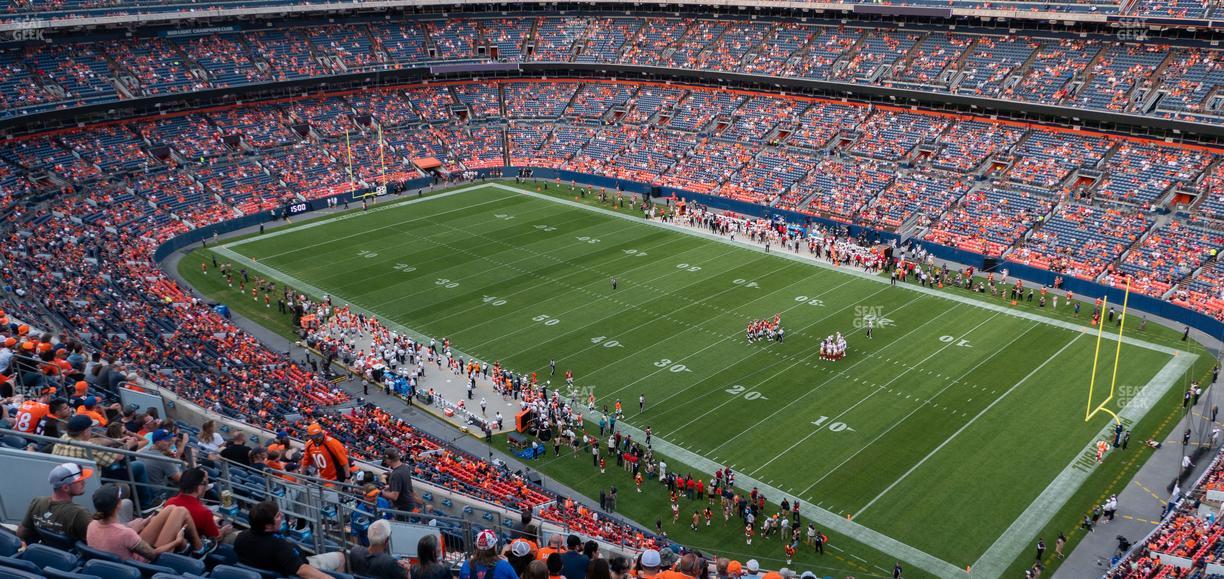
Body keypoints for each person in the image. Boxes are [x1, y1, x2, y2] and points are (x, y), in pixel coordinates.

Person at [86, 483, 197, 562]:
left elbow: (116, 537)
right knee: (181, 511)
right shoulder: (125, 533)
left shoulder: (92, 525)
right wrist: (176, 541)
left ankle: (195, 547)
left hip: (129, 552)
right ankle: (199, 549)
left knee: (170, 508)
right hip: (146, 562)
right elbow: (153, 555)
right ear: (118, 504)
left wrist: (139, 526)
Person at [235, 500, 344, 577]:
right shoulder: (279, 546)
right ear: (267, 525)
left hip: (269, 569)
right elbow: (302, 570)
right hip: (299, 567)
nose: (281, 515)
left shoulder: (241, 537)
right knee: (340, 556)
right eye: (277, 516)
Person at [18, 462, 94, 544]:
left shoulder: (37, 502)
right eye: (80, 481)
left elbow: (22, 532)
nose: (84, 483)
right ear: (65, 488)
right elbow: (95, 544)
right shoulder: (80, 513)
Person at [165, 467, 234, 542]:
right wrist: (223, 531)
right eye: (205, 483)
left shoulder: (169, 502)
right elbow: (216, 537)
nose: (206, 485)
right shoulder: (204, 512)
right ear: (199, 486)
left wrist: (210, 521)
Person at [382, 447, 415, 517]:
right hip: (410, 503)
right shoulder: (405, 467)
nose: (385, 461)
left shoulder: (396, 474)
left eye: (385, 459)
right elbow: (402, 484)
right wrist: (391, 486)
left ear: (389, 459)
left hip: (403, 508)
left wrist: (383, 492)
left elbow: (394, 496)